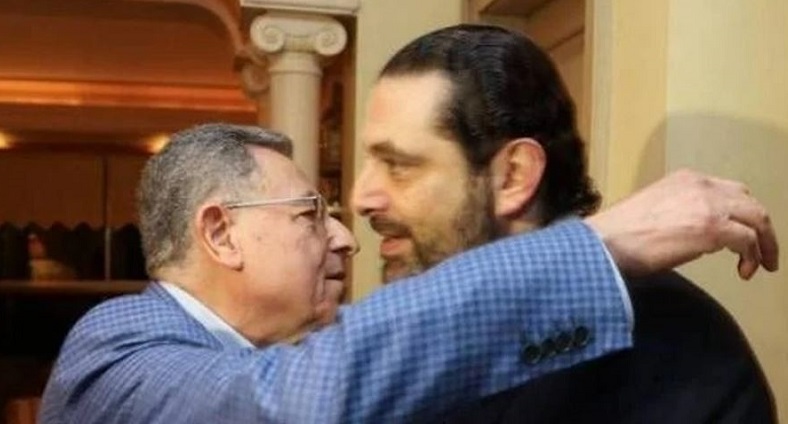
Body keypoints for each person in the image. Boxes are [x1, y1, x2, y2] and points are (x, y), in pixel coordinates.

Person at [351, 24, 777, 422]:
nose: (360, 198)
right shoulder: (411, 337)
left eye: (398, 165)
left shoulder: (676, 347)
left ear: (513, 175)